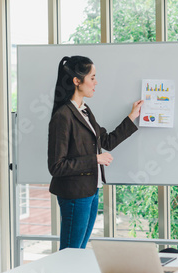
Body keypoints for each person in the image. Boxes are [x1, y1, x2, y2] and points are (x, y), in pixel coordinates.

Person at [48, 56, 143, 250]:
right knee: (70, 252)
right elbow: (56, 166)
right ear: (77, 81)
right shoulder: (63, 116)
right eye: (92, 77)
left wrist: (132, 116)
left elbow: (106, 141)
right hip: (75, 194)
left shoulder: (84, 110)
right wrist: (95, 159)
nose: (96, 82)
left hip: (91, 191)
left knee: (79, 250)